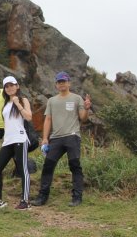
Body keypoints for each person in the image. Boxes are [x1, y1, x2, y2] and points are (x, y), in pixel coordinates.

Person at [32, 71, 92, 207]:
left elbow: (83, 118)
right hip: (56, 138)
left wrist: (87, 109)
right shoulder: (52, 101)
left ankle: (77, 197)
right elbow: (48, 119)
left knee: (75, 166)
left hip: (72, 136)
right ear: (56, 85)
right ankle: (42, 197)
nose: (62, 84)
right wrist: (45, 138)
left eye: (64, 81)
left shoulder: (77, 98)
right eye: (59, 82)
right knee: (48, 166)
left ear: (69, 83)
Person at [0, 76, 33, 211]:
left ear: (17, 86)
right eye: (7, 86)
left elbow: (28, 117)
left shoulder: (23, 99)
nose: (10, 88)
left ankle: (25, 201)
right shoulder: (5, 104)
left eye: (12, 85)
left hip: (20, 138)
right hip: (8, 140)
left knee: (22, 169)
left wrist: (18, 104)